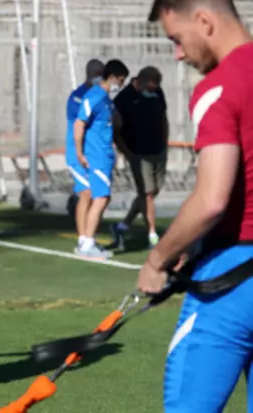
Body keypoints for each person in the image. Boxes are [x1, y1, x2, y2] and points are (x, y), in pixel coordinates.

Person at [138, 0, 253, 411]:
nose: (178, 54)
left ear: (204, 21)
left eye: (177, 40)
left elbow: (211, 200)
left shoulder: (220, 87)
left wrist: (157, 261)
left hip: (233, 280)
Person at [72, 59, 129, 259]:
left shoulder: (105, 100)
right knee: (101, 197)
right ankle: (87, 243)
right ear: (112, 78)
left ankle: (87, 240)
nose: (120, 85)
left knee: (102, 197)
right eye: (120, 81)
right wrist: (79, 153)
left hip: (105, 155)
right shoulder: (94, 96)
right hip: (96, 156)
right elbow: (79, 124)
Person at [111, 66, 169, 250]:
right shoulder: (123, 99)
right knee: (147, 194)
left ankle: (122, 225)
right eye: (151, 87)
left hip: (158, 150)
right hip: (137, 152)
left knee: (153, 191)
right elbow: (116, 129)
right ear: (142, 81)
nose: (153, 90)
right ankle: (152, 234)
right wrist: (125, 151)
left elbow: (163, 117)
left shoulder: (157, 92)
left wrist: (165, 142)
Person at [65, 59, 105, 251]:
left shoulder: (100, 95)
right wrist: (80, 152)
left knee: (96, 194)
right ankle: (83, 239)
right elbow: (78, 124)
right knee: (86, 193)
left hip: (93, 154)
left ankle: (89, 236)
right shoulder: (78, 97)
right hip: (77, 153)